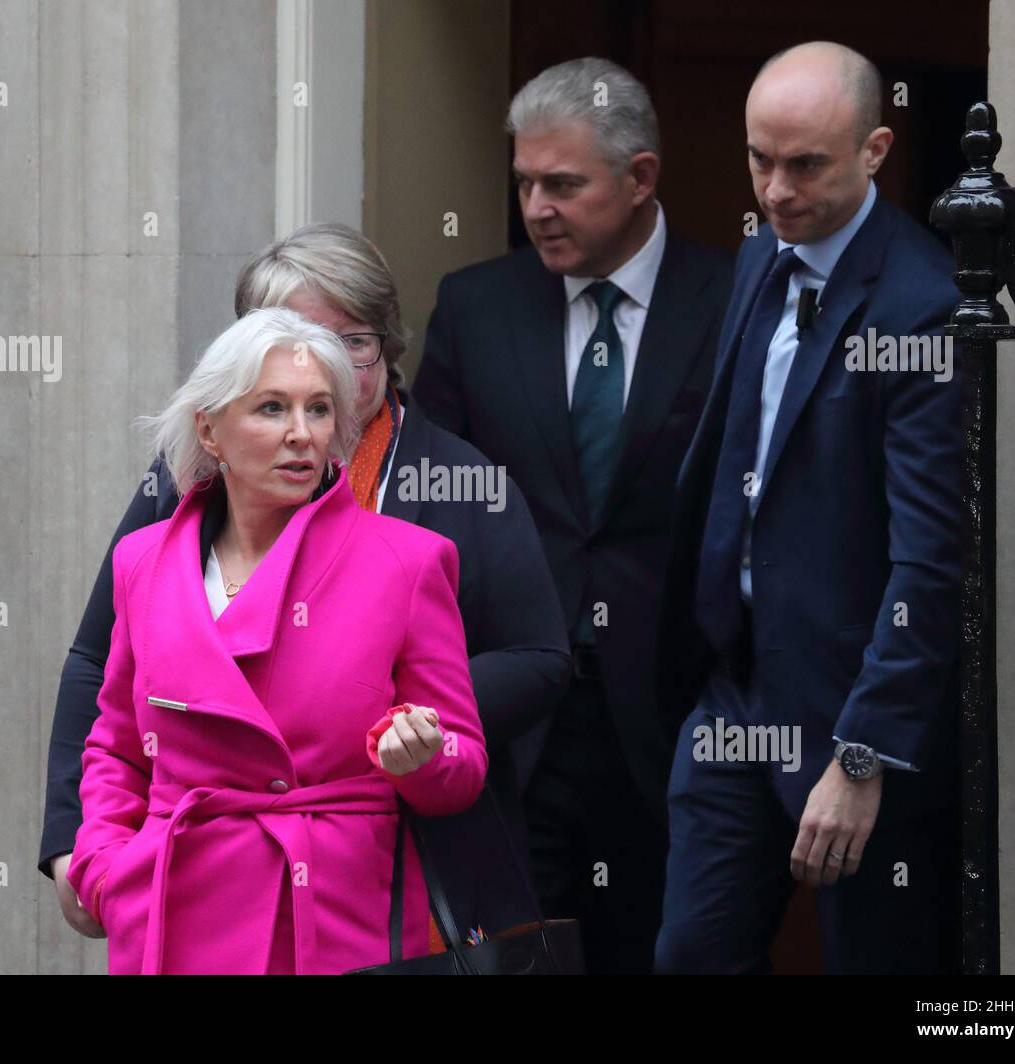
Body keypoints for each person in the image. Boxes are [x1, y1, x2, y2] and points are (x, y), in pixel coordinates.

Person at [41, 224, 569, 954]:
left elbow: (537, 655)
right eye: (287, 338)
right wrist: (86, 852)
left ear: (385, 345)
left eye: (353, 341)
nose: (327, 371)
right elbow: (103, 675)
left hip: (380, 868)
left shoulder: (455, 486)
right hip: (193, 889)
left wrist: (375, 717)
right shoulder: (179, 488)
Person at [414, 57, 732, 974]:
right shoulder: (476, 306)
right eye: (524, 184)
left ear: (640, 178)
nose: (538, 207)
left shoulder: (734, 299)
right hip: (517, 714)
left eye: (564, 184)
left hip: (679, 711)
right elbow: (429, 512)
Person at [654, 41, 962, 974]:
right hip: (734, 690)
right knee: (692, 956)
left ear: (873, 150)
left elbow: (932, 561)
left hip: (850, 712)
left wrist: (864, 753)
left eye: (806, 165)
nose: (776, 189)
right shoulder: (763, 256)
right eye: (759, 159)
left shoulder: (923, 309)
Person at [65, 307, 488, 973]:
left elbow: (461, 769)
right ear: (211, 429)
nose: (301, 434)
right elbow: (117, 746)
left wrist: (425, 757)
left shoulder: (407, 561)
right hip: (176, 916)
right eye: (271, 408)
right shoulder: (142, 562)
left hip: (337, 923)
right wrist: (103, 869)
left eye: (319, 410)